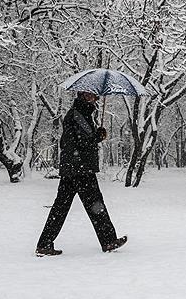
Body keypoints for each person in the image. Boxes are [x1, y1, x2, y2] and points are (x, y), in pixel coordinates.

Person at [35, 91, 127, 256]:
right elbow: (77, 142)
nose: (95, 99)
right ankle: (108, 241)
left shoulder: (81, 114)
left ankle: (44, 243)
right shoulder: (77, 115)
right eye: (92, 96)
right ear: (84, 96)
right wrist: (97, 137)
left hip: (74, 168)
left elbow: (78, 140)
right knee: (95, 205)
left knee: (61, 207)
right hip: (80, 169)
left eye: (95, 97)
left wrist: (95, 136)